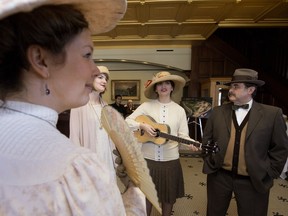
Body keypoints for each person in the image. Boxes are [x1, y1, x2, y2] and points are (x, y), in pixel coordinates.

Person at [0, 0, 145, 215]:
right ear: (41, 60)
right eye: (87, 54)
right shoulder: (77, 170)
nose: (95, 70)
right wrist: (132, 204)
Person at [202, 68, 288, 216]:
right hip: (219, 177)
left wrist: (269, 172)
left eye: (236, 86)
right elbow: (207, 140)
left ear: (251, 89)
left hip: (253, 179)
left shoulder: (272, 114)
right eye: (231, 86)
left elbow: (280, 148)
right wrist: (210, 160)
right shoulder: (217, 112)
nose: (231, 90)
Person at [125, 71, 199, 216]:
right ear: (155, 89)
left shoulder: (179, 111)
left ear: (172, 88)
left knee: (168, 197)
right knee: (147, 196)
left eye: (167, 83)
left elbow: (183, 136)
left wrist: (191, 144)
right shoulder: (146, 106)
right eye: (160, 84)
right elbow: (127, 121)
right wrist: (142, 126)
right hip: (148, 160)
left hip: (170, 161)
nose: (163, 86)